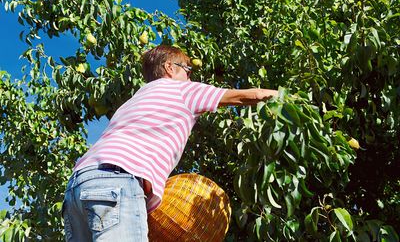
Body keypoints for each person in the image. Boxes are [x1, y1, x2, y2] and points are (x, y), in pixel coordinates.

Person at [62, 45, 278, 241]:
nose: (190, 77)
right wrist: (291, 98)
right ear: (169, 67)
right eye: (187, 70)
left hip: (77, 185)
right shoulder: (182, 90)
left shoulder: (136, 98)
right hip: (118, 180)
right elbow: (248, 96)